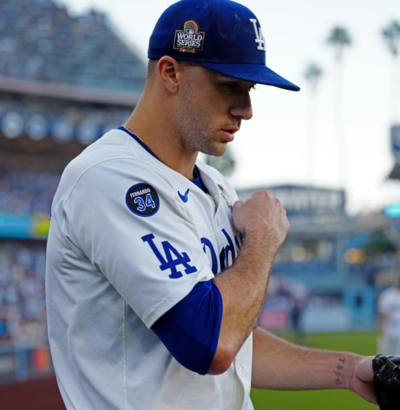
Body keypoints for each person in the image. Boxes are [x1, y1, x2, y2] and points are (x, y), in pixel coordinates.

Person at [45, 1, 377, 409]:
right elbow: (212, 343)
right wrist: (264, 236)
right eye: (228, 85)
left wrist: (348, 370)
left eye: (249, 90)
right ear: (170, 73)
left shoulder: (217, 186)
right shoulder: (108, 177)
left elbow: (236, 340)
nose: (247, 110)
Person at [377, 274, 400, 355]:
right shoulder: (388, 295)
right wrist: (382, 328)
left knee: (398, 356)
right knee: (384, 355)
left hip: (398, 329)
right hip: (389, 328)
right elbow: (383, 312)